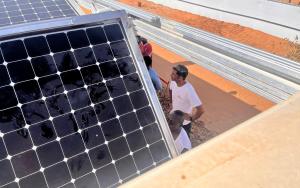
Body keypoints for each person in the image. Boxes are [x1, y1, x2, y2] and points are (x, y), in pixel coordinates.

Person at [169, 64, 204, 137]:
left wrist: (191, 118)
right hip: (173, 119)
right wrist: (171, 102)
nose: (170, 75)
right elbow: (170, 90)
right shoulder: (173, 82)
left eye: (173, 74)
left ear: (180, 78)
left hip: (183, 125)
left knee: (183, 144)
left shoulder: (189, 90)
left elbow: (201, 110)